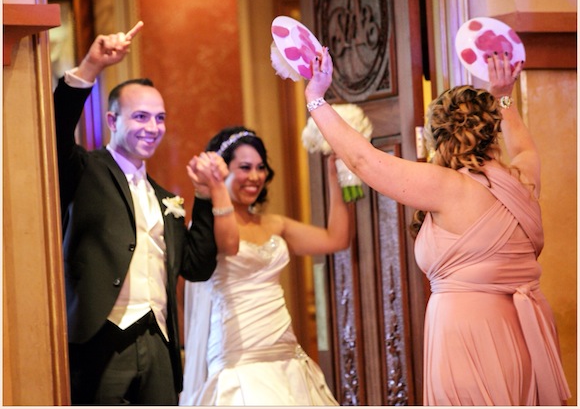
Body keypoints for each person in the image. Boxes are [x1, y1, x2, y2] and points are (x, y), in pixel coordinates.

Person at [304, 49, 571, 405]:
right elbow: (524, 146)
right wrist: (504, 95)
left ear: (436, 137)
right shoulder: (524, 179)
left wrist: (316, 99)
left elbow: (363, 160)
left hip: (467, 336)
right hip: (525, 334)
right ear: (492, 131)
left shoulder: (446, 187)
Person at [54, 21, 222, 405]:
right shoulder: (84, 170)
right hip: (99, 342)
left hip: (158, 341)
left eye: (160, 118)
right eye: (141, 117)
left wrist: (204, 197)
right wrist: (91, 67)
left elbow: (197, 266)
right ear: (112, 121)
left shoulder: (165, 198)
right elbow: (56, 128)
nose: (153, 127)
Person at [179, 126, 350, 405]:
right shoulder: (207, 228)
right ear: (223, 170)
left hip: (285, 353)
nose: (255, 176)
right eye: (245, 167)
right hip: (239, 356)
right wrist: (215, 186)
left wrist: (334, 175)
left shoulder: (274, 223)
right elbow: (230, 245)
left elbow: (336, 239)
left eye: (260, 167)